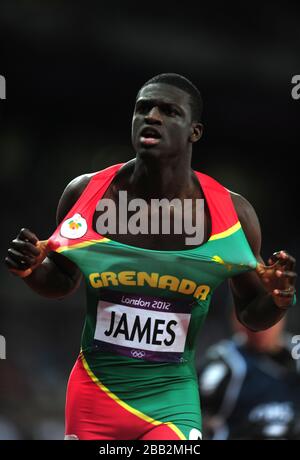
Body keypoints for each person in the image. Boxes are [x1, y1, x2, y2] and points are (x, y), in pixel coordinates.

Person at [5, 73, 297, 440]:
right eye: (143, 109)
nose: (152, 117)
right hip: (96, 396)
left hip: (172, 399)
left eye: (168, 111)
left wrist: (278, 298)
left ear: (195, 131)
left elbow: (253, 315)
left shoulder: (231, 215)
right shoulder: (86, 194)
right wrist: (32, 270)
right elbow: (62, 281)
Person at [198, 313, 300, 440]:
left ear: (282, 318)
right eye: (255, 320)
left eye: (270, 319)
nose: (262, 328)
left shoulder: (296, 359)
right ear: (238, 321)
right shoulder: (224, 366)